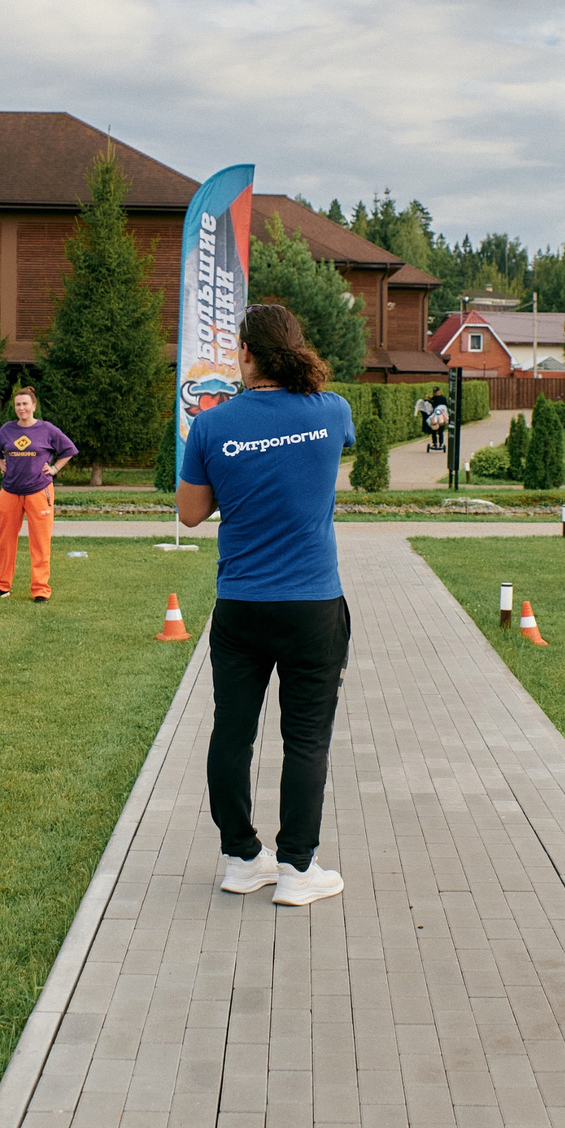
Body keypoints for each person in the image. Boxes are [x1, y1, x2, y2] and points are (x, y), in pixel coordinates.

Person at [177, 302, 355, 908]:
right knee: (305, 739)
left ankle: (241, 859)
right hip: (313, 606)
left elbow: (190, 514)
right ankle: (297, 869)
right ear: (296, 350)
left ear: (246, 354)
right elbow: (329, 456)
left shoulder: (211, 425)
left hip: (242, 605)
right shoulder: (331, 411)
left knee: (233, 733)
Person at [0, 386, 77, 602]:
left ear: (34, 406)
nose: (21, 408)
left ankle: (40, 590)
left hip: (39, 491)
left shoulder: (47, 429)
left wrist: (54, 469)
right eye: (18, 404)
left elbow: (69, 450)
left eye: (25, 404)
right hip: (10, 491)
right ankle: (2, 586)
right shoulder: (7, 430)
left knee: (40, 542)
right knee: (5, 541)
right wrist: (2, 465)